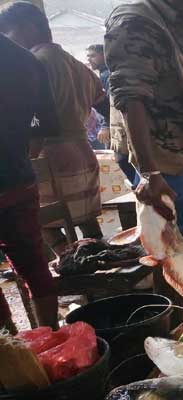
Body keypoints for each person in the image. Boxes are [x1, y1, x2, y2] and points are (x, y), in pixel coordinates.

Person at [105, 0, 183, 252]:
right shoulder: (135, 21)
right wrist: (151, 172)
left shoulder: (181, 25)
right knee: (176, 239)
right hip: (165, 158)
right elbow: (130, 97)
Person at [0, 2, 105, 257]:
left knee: (44, 220)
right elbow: (100, 96)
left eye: (8, 34)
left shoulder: (32, 63)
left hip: (49, 155)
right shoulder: (75, 63)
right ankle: (102, 262)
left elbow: (31, 118)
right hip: (81, 150)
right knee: (87, 220)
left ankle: (70, 264)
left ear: (26, 29)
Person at [0, 33, 60, 332]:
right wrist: (18, 155)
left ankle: (10, 351)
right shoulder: (25, 59)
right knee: (34, 264)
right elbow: (46, 124)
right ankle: (51, 337)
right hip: (18, 179)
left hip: (16, 177)